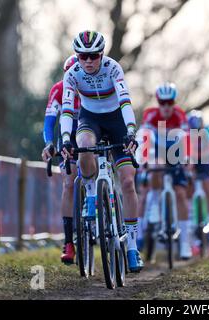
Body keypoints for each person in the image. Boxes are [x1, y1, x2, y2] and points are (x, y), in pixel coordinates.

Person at [60, 30, 143, 272]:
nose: (88, 61)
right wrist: (66, 138)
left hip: (116, 120)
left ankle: (132, 246)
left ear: (102, 54)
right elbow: (67, 109)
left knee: (128, 182)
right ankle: (90, 194)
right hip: (90, 119)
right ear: (77, 56)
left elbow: (125, 101)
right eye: (82, 56)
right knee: (83, 142)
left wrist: (130, 130)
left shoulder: (113, 68)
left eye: (93, 56)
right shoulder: (72, 74)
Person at [139, 82, 192, 260]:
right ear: (158, 102)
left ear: (174, 102)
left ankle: (185, 243)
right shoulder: (150, 114)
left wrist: (187, 160)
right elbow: (144, 137)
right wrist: (144, 159)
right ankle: (154, 206)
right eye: (163, 103)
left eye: (170, 102)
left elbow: (186, 139)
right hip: (157, 151)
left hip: (175, 152)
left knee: (180, 194)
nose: (167, 107)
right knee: (154, 166)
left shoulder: (180, 115)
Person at [41, 55, 80, 264]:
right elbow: (49, 122)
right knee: (68, 182)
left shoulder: (90, 88)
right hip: (68, 139)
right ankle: (68, 241)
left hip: (91, 132)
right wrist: (49, 143)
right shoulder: (58, 90)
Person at [187, 110, 209, 248]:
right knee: (189, 187)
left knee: (207, 186)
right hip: (192, 162)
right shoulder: (186, 135)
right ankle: (190, 222)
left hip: (205, 163)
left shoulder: (207, 134)